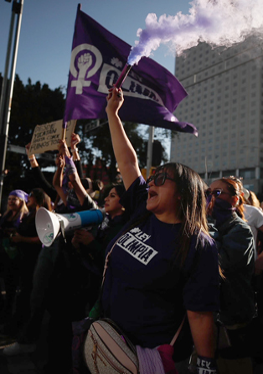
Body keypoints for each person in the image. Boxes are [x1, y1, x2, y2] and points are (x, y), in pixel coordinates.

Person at [84, 87, 220, 373]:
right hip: (108, 342)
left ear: (183, 194)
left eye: (160, 178)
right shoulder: (140, 212)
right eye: (152, 176)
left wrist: (206, 367)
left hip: (149, 359)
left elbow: (199, 315)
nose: (151, 182)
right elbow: (129, 162)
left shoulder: (198, 244)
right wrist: (112, 112)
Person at [206, 177, 255, 374]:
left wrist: (208, 228)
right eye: (208, 193)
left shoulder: (240, 230)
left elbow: (218, 264)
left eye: (217, 193)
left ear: (235, 200)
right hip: (212, 318)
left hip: (232, 319)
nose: (211, 198)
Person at [1, 188, 52, 338]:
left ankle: (18, 328)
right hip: (24, 258)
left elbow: (42, 239)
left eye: (30, 196)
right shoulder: (32, 215)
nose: (27, 198)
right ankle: (14, 325)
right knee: (21, 294)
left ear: (37, 198)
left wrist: (21, 239)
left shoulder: (40, 216)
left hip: (31, 260)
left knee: (25, 295)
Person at [0, 190, 28, 327]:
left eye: (14, 199)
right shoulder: (6, 216)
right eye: (9, 199)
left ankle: (8, 318)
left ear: (21, 202)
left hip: (16, 258)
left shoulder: (24, 217)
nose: (10, 201)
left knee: (11, 289)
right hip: (3, 256)